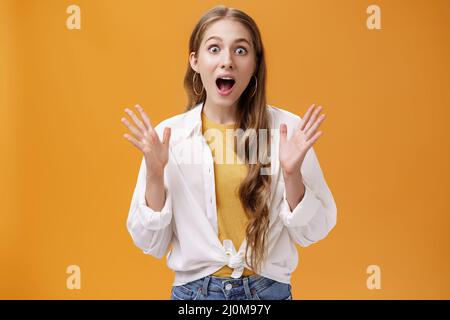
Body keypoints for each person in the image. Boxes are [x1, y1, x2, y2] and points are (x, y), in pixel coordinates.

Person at [121, 5, 337, 300]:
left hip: (267, 293)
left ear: (255, 63)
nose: (227, 62)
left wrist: (292, 175)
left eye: (240, 50)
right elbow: (151, 242)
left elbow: (313, 231)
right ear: (195, 61)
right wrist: (155, 176)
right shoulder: (168, 137)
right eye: (214, 49)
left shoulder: (287, 130)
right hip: (194, 296)